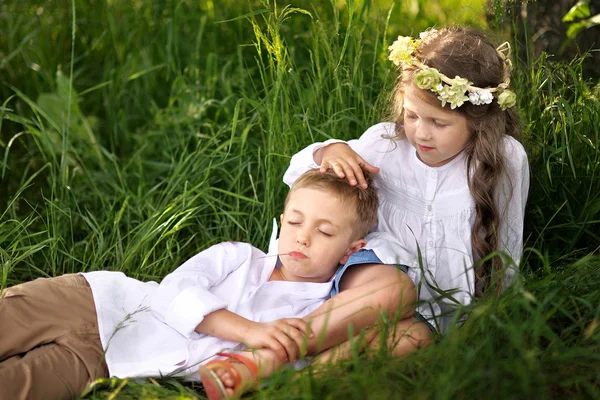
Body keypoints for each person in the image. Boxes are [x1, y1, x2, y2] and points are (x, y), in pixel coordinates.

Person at [0, 168, 383, 400]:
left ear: (351, 250)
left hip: (109, 359)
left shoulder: (317, 315)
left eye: (324, 232)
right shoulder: (239, 255)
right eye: (295, 222)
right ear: (282, 220)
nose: (302, 238)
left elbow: (284, 364)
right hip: (93, 300)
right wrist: (251, 331)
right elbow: (175, 289)